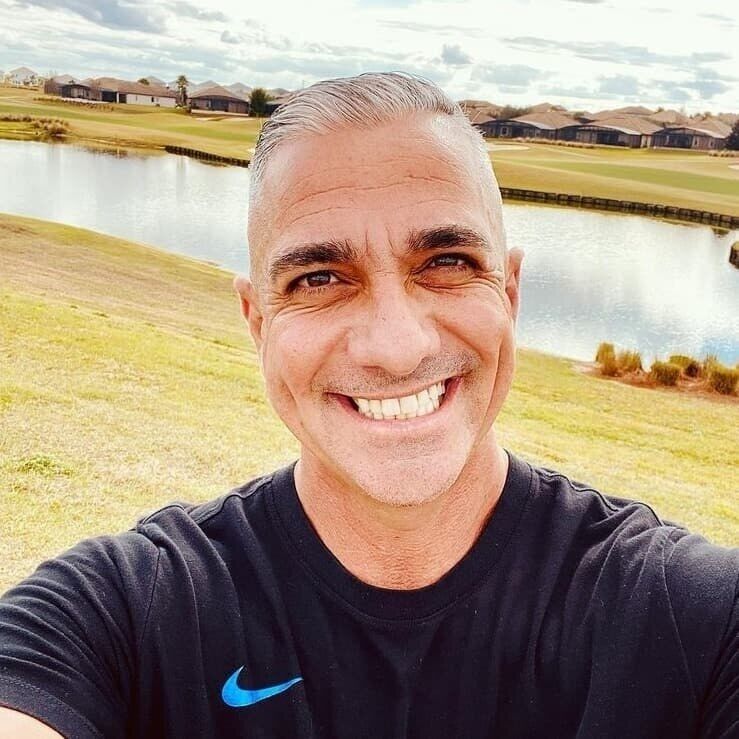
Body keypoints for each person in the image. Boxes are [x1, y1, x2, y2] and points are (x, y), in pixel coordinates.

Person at [0, 72, 736, 739]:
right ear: (258, 323)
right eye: (319, 278)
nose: (396, 347)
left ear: (509, 295)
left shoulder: (696, 617)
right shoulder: (119, 611)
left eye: (446, 262)